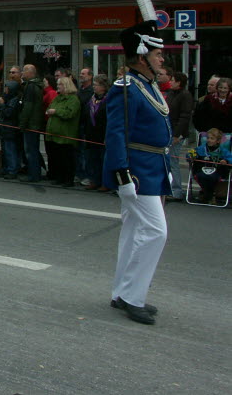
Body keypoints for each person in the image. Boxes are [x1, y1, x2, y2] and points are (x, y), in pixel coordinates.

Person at [104, 19, 171, 325]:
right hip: (137, 172)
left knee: (133, 233)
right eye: (157, 54)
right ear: (142, 56)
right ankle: (133, 297)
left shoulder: (146, 86)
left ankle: (122, 292)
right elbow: (116, 134)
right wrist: (122, 174)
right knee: (156, 232)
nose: (162, 59)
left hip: (151, 168)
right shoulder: (127, 88)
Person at [44, 76, 81, 187]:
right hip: (54, 133)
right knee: (58, 157)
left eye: (60, 84)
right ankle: (59, 177)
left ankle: (68, 179)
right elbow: (49, 108)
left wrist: (56, 111)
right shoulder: (57, 98)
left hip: (66, 134)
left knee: (67, 158)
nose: (58, 86)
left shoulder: (73, 100)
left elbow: (69, 113)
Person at [166, 71, 193, 201]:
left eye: (172, 80)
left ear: (179, 82)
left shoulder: (185, 95)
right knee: (168, 160)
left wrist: (177, 134)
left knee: (173, 160)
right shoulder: (171, 93)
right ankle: (170, 187)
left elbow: (185, 116)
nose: (170, 82)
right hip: (169, 130)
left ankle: (176, 190)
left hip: (177, 133)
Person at [188, 128, 232, 204]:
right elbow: (190, 154)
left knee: (212, 177)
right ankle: (209, 195)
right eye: (208, 138)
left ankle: (206, 195)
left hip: (217, 173)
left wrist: (226, 161)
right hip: (201, 171)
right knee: (202, 176)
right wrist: (191, 156)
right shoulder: (201, 149)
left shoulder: (223, 151)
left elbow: (230, 158)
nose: (209, 140)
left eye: (212, 138)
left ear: (218, 141)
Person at [82, 74, 109, 191]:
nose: (94, 87)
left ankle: (105, 182)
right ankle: (94, 180)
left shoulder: (107, 100)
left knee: (103, 159)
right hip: (91, 133)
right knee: (92, 158)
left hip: (102, 133)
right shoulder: (92, 98)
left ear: (103, 86)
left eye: (96, 85)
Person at [19, 64, 45, 183]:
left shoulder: (31, 87)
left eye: (24, 71)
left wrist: (22, 123)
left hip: (31, 124)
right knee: (33, 149)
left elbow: (27, 107)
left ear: (31, 73)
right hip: (35, 122)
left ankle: (33, 175)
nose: (22, 74)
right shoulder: (37, 86)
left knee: (30, 150)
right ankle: (35, 173)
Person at [0, 80, 21, 179]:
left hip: (9, 128)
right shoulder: (8, 98)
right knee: (5, 150)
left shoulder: (14, 100)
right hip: (4, 128)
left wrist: (2, 104)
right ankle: (6, 168)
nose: (5, 90)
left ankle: (12, 170)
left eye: (7, 88)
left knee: (10, 150)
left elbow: (8, 113)